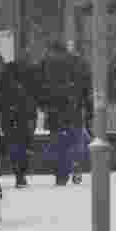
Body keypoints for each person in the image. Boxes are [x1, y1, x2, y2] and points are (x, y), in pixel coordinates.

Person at [37, 40, 93, 186]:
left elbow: (39, 87)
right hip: (74, 108)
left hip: (55, 111)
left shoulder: (46, 63)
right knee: (76, 139)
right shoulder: (79, 62)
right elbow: (87, 86)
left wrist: (43, 105)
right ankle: (76, 163)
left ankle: (61, 175)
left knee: (58, 143)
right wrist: (88, 108)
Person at [0, 59, 38, 188]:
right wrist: (32, 117)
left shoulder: (4, 84)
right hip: (23, 120)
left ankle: (18, 173)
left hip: (8, 119)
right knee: (24, 147)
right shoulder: (25, 84)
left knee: (13, 146)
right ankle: (21, 174)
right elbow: (31, 102)